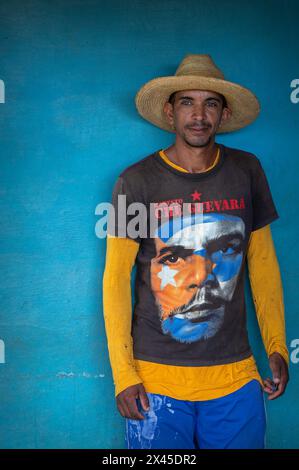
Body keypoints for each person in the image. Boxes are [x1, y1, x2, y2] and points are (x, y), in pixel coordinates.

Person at [102, 54, 289, 449]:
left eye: (211, 103)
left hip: (235, 376)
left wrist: (276, 345)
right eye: (187, 102)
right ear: (170, 112)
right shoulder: (136, 182)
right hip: (155, 382)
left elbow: (263, 264)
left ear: (223, 114)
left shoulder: (246, 171)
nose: (199, 115)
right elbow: (117, 279)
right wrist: (124, 375)